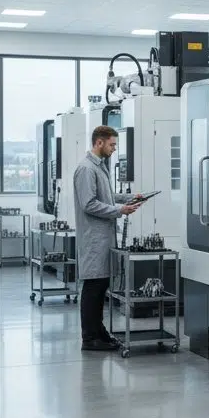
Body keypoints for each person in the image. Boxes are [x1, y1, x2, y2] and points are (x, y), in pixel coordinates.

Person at [74, 125, 142, 352]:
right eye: (112, 144)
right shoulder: (86, 169)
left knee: (101, 285)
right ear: (99, 142)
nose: (114, 149)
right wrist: (119, 210)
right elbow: (89, 204)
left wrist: (129, 198)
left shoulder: (98, 167)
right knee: (93, 287)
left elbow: (106, 196)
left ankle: (99, 333)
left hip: (103, 238)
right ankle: (89, 338)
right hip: (94, 238)